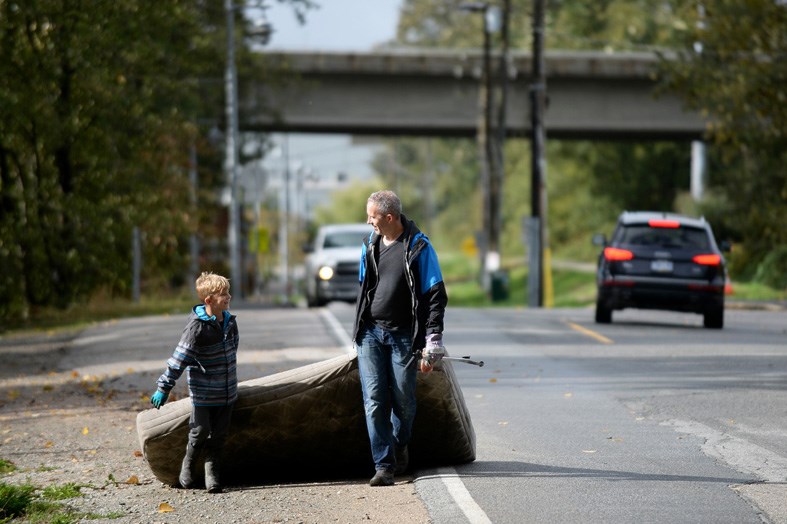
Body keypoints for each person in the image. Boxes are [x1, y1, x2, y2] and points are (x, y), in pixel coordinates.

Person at [352, 190, 448, 487]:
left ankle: (399, 442)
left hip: (404, 336)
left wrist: (433, 338)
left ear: (389, 217)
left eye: (372, 216)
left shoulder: (419, 246)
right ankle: (384, 465)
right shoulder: (369, 244)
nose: (369, 222)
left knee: (403, 400)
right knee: (375, 400)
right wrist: (357, 328)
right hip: (370, 333)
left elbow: (435, 295)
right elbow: (363, 286)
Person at [149, 271, 239, 494]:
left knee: (220, 435)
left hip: (227, 392)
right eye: (223, 294)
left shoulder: (230, 323)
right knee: (199, 431)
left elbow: (233, 351)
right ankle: (188, 462)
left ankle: (212, 471)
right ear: (209, 300)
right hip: (205, 393)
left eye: (228, 292)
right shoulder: (197, 328)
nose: (228, 297)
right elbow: (179, 359)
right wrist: (164, 387)